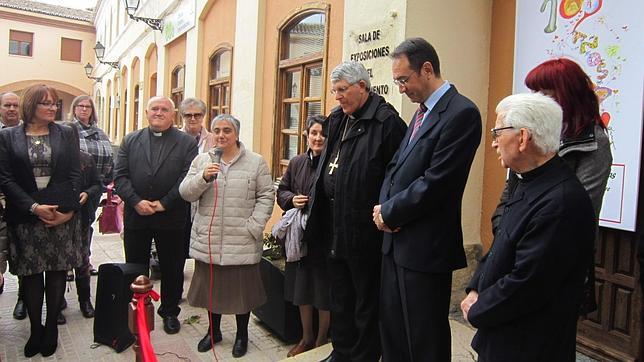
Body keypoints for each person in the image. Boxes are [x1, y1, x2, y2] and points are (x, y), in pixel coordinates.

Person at [460, 92, 596, 361]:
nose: (494, 143)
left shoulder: (561, 201)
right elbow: (502, 244)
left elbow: (528, 283)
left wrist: (479, 309)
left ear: (523, 138)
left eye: (498, 132)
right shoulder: (524, 181)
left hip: (530, 346)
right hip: (503, 336)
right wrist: (476, 287)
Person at [373, 38, 482, 361]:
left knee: (423, 339)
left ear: (427, 69)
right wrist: (383, 211)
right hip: (395, 243)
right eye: (397, 82)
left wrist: (391, 213)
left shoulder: (461, 113)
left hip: (425, 247)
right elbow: (395, 168)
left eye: (404, 80)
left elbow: (438, 183)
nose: (401, 88)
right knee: (393, 333)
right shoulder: (421, 114)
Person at [304, 61, 407, 362]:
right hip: (334, 229)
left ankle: (363, 356)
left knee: (365, 302)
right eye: (335, 90)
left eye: (343, 90)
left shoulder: (387, 123)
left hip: (365, 233)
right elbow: (328, 165)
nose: (337, 97)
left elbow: (399, 176)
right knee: (340, 298)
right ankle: (342, 351)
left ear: (362, 87)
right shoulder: (337, 118)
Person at [179, 114, 274, 358]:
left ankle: (242, 334)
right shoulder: (202, 161)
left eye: (227, 131)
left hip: (241, 239)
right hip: (209, 240)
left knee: (242, 294)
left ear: (237, 134)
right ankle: (214, 332)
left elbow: (266, 196)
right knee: (212, 291)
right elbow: (185, 193)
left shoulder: (256, 162)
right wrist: (203, 178)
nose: (221, 135)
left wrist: (254, 226)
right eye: (217, 130)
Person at [0, 84, 82, 357]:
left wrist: (67, 213)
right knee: (32, 276)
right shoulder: (9, 136)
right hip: (26, 216)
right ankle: (36, 329)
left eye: (55, 103)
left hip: (59, 216)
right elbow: (6, 178)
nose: (52, 107)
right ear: (30, 106)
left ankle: (52, 328)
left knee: (57, 273)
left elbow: (74, 175)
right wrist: (34, 207)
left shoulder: (67, 132)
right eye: (45, 103)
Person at [114, 96, 197, 335]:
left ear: (173, 115)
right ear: (147, 113)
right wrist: (136, 201)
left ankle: (169, 311)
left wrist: (164, 203)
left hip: (171, 216)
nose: (159, 113)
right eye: (154, 109)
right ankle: (138, 308)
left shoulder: (186, 143)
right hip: (137, 215)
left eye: (164, 109)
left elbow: (187, 177)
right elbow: (119, 176)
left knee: (172, 267)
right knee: (136, 265)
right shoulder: (131, 140)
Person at [276, 115, 330, 357]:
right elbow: (282, 190)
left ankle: (321, 340)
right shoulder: (297, 162)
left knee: (323, 292)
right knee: (302, 292)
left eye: (322, 134)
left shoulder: (331, 163)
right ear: (306, 136)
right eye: (314, 133)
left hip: (322, 238)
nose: (318, 138)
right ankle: (306, 337)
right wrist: (291, 199)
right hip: (298, 240)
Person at [68, 95, 114, 273]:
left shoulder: (100, 132)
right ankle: (70, 264)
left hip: (96, 187)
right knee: (71, 226)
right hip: (75, 187)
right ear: (74, 108)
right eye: (80, 106)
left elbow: (109, 156)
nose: (84, 109)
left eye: (88, 106)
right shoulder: (68, 130)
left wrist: (108, 182)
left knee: (87, 224)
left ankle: (84, 260)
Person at [0, 91, 27, 317]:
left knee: (22, 254)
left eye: (15, 106)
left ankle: (23, 297)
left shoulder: (26, 134)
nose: (11, 109)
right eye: (7, 105)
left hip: (22, 204)